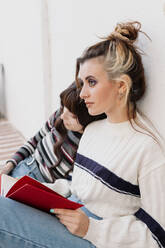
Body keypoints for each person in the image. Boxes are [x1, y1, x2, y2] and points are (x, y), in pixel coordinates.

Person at [0, 21, 165, 248]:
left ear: (121, 86)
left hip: (97, 239)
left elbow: (157, 234)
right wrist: (31, 190)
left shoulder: (147, 148)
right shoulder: (94, 131)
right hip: (71, 217)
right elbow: (76, 189)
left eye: (91, 82)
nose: (83, 93)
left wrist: (92, 229)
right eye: (81, 83)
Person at [0, 82, 106, 183]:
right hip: (25, 167)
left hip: (45, 189)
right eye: (64, 107)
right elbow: (34, 141)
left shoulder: (89, 143)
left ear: (88, 118)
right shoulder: (60, 116)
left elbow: (71, 185)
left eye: (72, 115)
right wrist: (9, 165)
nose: (63, 116)